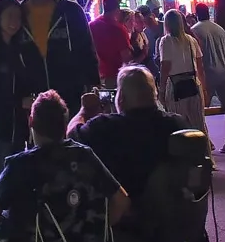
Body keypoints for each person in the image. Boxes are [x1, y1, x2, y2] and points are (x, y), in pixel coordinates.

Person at [0, 90, 124, 242]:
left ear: (31, 121)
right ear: (64, 123)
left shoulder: (21, 164)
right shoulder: (85, 155)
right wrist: (94, 231)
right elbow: (122, 201)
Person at [68, 65, 179, 199]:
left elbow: (72, 135)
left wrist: (84, 111)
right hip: (170, 211)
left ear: (121, 98)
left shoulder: (104, 126)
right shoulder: (176, 124)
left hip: (124, 214)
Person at [0, 0, 47, 194]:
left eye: (18, 17)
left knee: (11, 186)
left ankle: (2, 224)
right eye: (10, 16)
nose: (15, 22)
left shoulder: (19, 49)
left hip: (17, 128)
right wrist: (18, 101)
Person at [189, 2, 225, 155]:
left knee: (200, 109)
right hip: (224, 72)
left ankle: (205, 141)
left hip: (206, 73)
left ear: (197, 13)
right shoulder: (220, 29)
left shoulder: (194, 30)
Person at [87, 0, 132, 91]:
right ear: (117, 8)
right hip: (115, 77)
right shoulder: (119, 29)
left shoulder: (90, 26)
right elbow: (126, 57)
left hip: (96, 77)